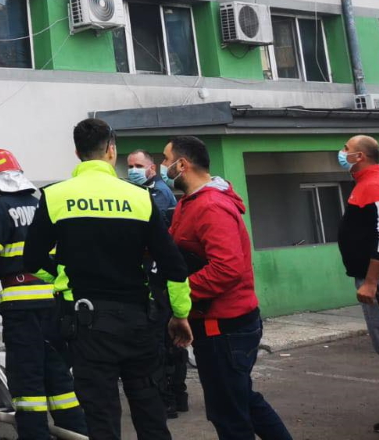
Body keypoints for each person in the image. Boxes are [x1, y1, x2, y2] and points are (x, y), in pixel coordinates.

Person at [23, 118, 192, 440]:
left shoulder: (56, 197)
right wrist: (181, 314)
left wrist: (62, 274)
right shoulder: (139, 198)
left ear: (77, 152)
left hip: (87, 325)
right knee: (150, 413)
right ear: (111, 151)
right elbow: (174, 265)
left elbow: (31, 260)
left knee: (101, 418)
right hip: (139, 323)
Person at [164, 135, 292, 440]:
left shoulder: (210, 206)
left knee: (229, 415)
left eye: (167, 160)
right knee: (242, 401)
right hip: (216, 323)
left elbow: (227, 268)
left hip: (224, 327)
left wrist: (182, 293)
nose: (164, 166)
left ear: (183, 165)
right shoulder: (190, 204)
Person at [0, 149, 87, 440]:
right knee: (59, 379)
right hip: (53, 303)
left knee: (27, 382)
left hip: (21, 306)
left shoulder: (0, 208)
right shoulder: (40, 203)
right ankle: (76, 434)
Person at [126, 149, 187, 418]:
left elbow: (156, 238)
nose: (133, 170)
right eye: (130, 165)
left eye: (138, 165)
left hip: (160, 276)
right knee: (167, 342)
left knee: (164, 342)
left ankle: (169, 399)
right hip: (155, 274)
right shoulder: (142, 192)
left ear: (151, 168)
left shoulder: (158, 194)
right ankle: (176, 396)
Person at [336, 135, 379, 434]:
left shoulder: (375, 186)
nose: (341, 153)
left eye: (346, 149)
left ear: (360, 157)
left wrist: (371, 282)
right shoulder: (365, 184)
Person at [126, 149, 177, 215]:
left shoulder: (159, 190)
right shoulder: (141, 186)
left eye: (139, 166)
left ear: (152, 168)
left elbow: (153, 219)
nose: (133, 170)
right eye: (130, 167)